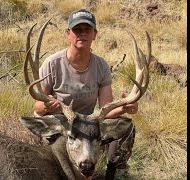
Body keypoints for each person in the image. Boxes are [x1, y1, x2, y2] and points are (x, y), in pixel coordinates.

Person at [33, 9, 137, 179]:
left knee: (126, 127)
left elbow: (105, 110)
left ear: (94, 34)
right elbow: (36, 106)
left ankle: (114, 173)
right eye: (77, 30)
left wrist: (124, 107)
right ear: (68, 34)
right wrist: (46, 104)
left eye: (87, 30)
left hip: (87, 124)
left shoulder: (101, 65)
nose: (82, 34)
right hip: (61, 122)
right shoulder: (52, 64)